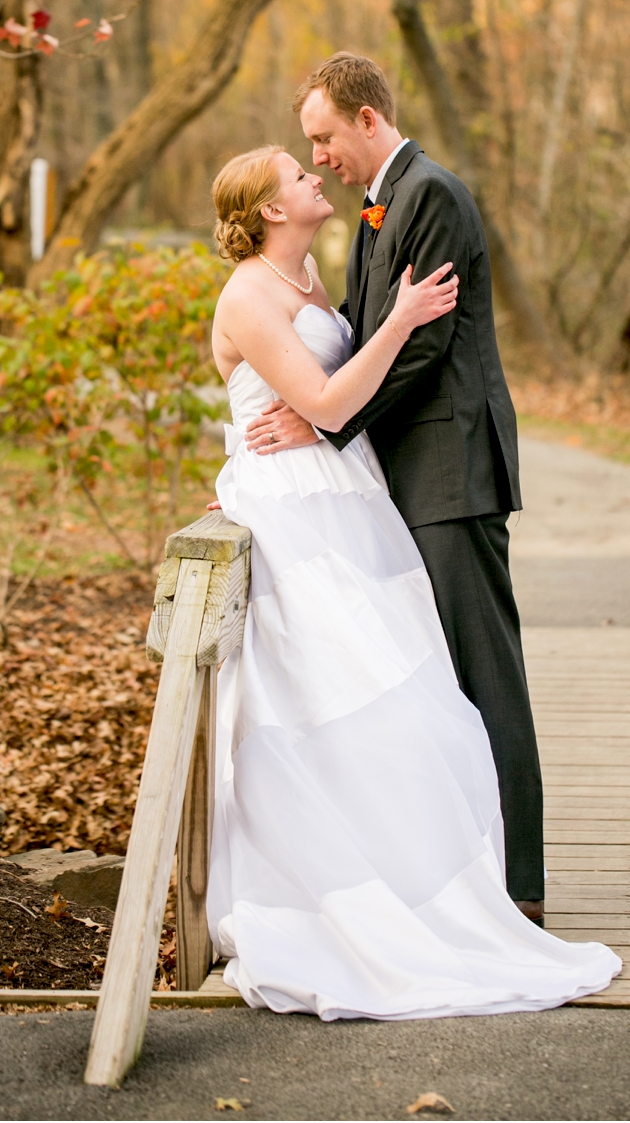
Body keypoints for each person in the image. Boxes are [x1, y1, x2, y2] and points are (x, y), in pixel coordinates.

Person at [207, 143, 620, 1020]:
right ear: (271, 209)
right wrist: (399, 318)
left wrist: (383, 319)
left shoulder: (313, 278)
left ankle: (420, 877)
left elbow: (332, 402)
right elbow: (324, 407)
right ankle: (343, 893)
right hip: (291, 514)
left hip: (351, 503)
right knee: (329, 702)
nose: (314, 175)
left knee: (413, 698)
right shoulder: (247, 294)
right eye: (297, 171)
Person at [244, 53, 545, 923]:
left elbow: (422, 349)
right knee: (438, 679)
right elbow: (364, 333)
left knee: (485, 672)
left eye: (324, 137)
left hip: (452, 467)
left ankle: (518, 884)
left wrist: (326, 422)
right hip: (409, 473)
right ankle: (464, 870)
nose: (323, 155)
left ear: (366, 120)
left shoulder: (431, 196)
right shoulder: (383, 207)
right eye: (312, 145)